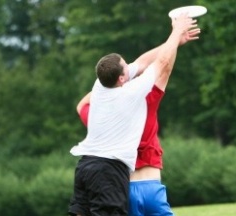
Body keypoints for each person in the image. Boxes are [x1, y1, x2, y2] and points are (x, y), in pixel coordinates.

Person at [68, 14, 199, 216]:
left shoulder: (99, 96)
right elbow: (164, 66)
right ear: (121, 78)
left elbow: (82, 105)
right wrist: (175, 33)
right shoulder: (144, 100)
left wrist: (172, 42)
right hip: (144, 186)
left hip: (112, 183)